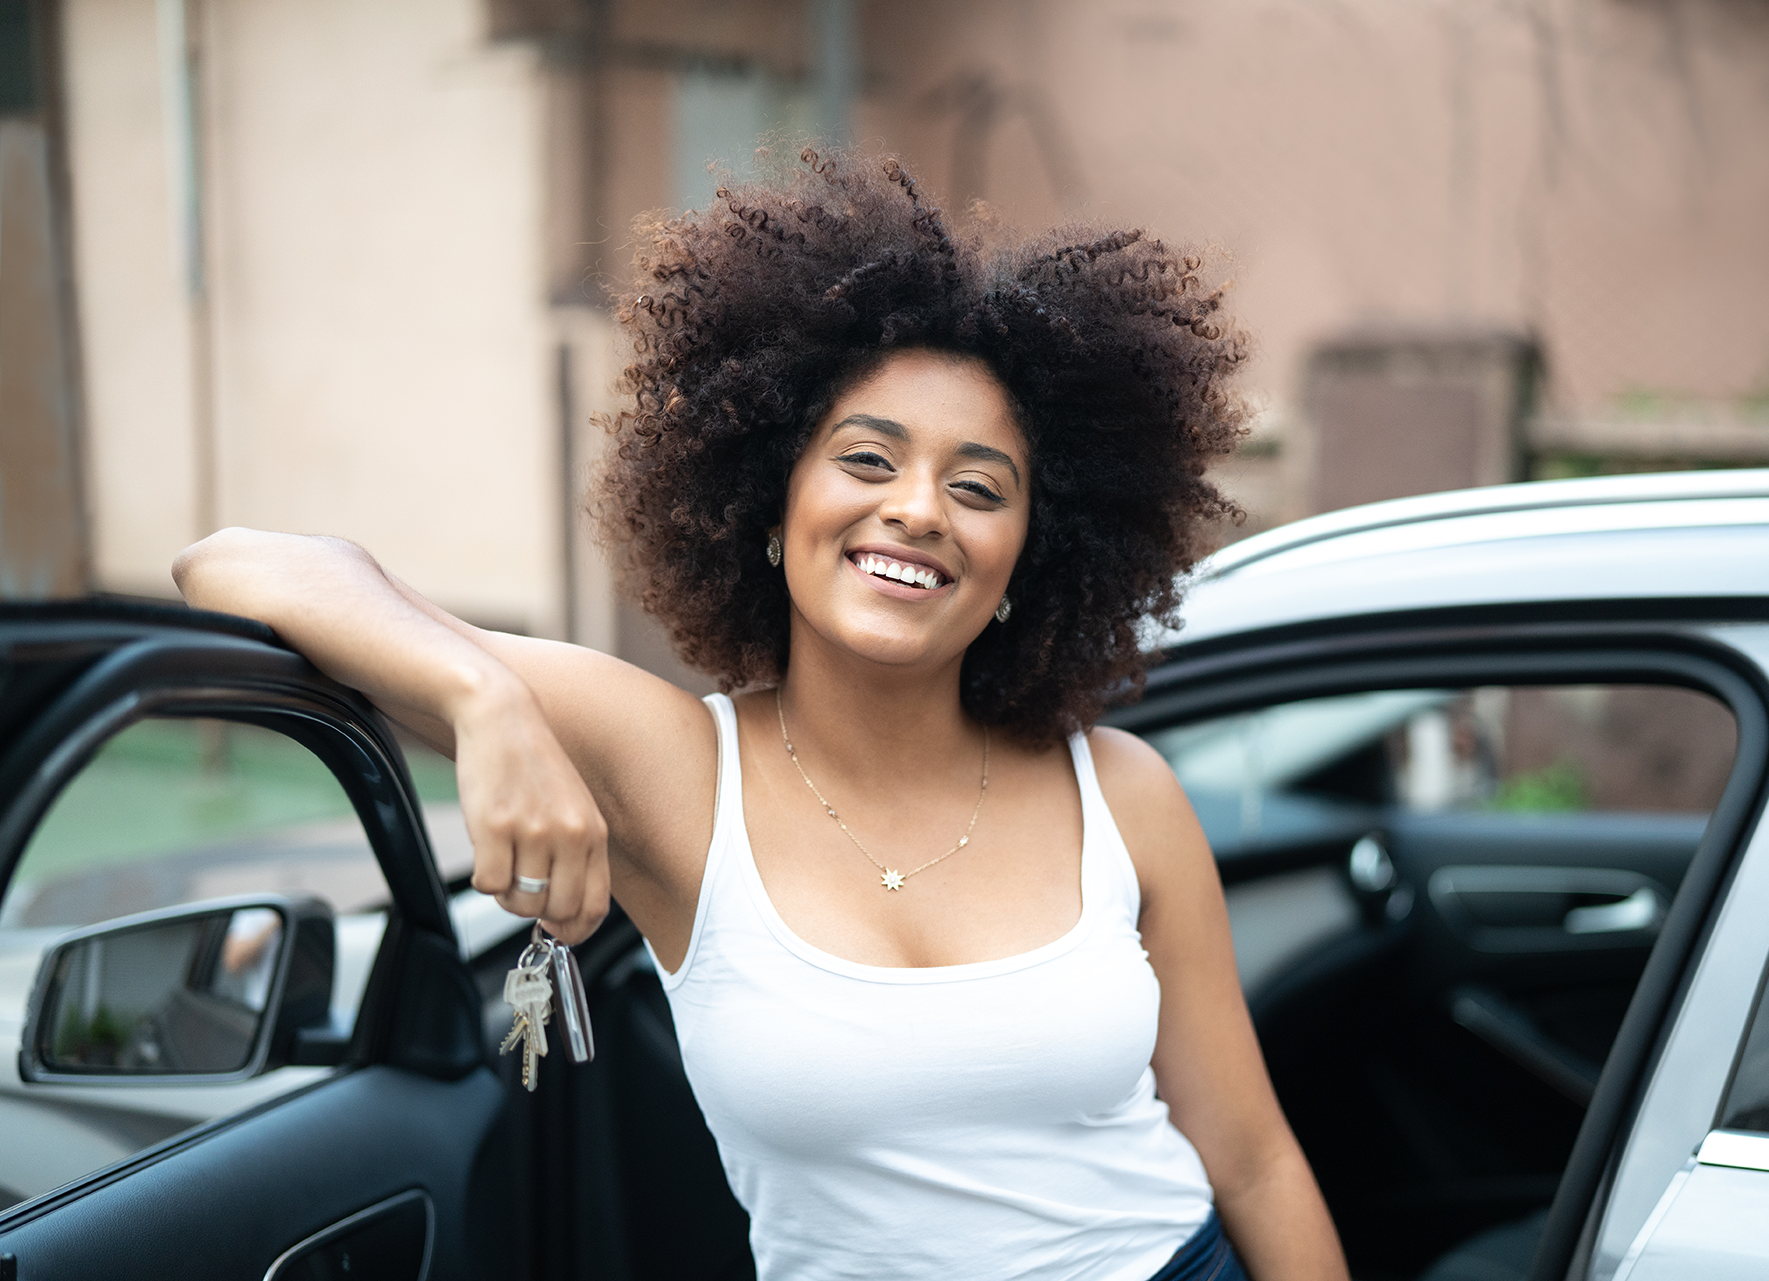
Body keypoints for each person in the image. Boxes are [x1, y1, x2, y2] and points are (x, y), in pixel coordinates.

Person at [173, 149, 1348, 1281]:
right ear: (770, 505)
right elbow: (239, 564)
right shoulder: (680, 772)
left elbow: (1251, 1159)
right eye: (868, 459)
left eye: (979, 487)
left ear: (1026, 561)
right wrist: (485, 705)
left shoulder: (1124, 795)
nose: (920, 510)